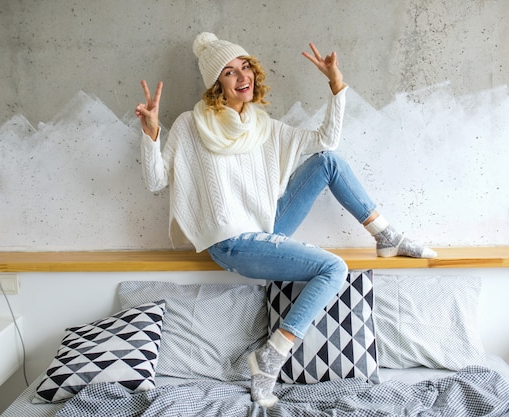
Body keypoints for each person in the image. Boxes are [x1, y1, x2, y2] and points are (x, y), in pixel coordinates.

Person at [136, 32, 437, 407]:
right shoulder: (190, 126)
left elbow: (326, 141)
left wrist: (336, 85)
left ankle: (386, 235)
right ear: (217, 86)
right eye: (229, 72)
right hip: (231, 242)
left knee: (328, 162)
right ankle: (271, 355)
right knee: (334, 268)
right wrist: (150, 135)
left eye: (245, 66)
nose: (241, 76)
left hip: (266, 228)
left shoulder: (265, 127)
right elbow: (155, 182)